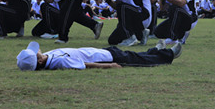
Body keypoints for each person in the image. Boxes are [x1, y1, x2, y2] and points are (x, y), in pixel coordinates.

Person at [16, 40, 182, 71]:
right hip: (105, 58)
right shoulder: (58, 62)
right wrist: (109, 66)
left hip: (100, 52)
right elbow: (83, 65)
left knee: (134, 55)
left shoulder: (46, 57)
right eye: (36, 53)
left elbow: (36, 51)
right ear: (39, 61)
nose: (38, 50)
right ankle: (168, 55)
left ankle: (155, 51)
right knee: (138, 60)